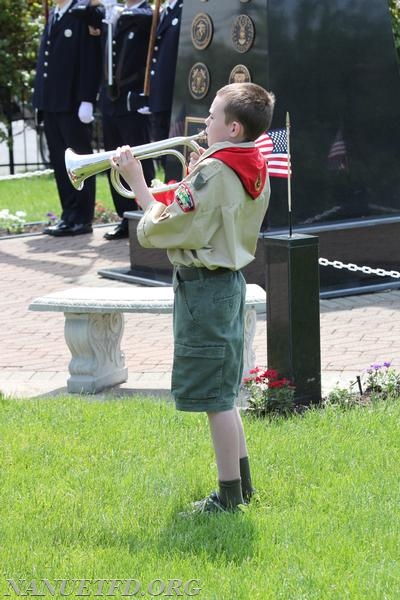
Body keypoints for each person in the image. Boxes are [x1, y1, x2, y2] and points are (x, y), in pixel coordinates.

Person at [110, 82, 275, 514]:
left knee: (215, 400)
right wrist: (191, 178)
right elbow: (203, 208)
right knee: (225, 390)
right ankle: (242, 487)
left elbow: (165, 226)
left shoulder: (216, 171)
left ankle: (226, 497)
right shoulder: (249, 162)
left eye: (213, 116)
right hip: (226, 284)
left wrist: (138, 184)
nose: (205, 122)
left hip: (205, 288)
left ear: (233, 127)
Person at [33, 0, 102, 237]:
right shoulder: (55, 14)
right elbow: (46, 61)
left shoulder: (81, 13)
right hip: (52, 102)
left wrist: (87, 98)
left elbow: (89, 59)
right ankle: (68, 215)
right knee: (61, 164)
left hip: (73, 102)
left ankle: (82, 218)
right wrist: (40, 100)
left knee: (79, 161)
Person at [94, 0, 155, 241]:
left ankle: (146, 212)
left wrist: (122, 13)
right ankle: (125, 216)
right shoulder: (113, 15)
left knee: (138, 160)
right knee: (115, 161)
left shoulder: (143, 14)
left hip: (132, 100)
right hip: (111, 100)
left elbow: (147, 16)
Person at [147, 0, 183, 177]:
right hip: (160, 97)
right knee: (164, 160)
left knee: (174, 162)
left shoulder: (185, 7)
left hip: (174, 98)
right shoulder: (167, 10)